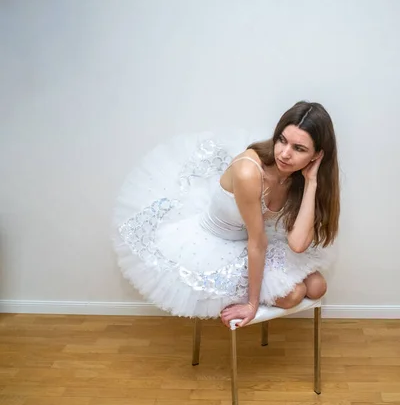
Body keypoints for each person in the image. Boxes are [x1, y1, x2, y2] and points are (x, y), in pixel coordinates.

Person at [112, 101, 340, 328]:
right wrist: (251, 304)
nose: (284, 154)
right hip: (219, 244)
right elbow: (257, 242)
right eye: (282, 140)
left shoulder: (297, 176)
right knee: (294, 294)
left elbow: (298, 244)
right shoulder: (249, 172)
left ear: (316, 156)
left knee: (318, 287)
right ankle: (239, 292)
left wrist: (311, 182)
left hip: (252, 240)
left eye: (299, 148)